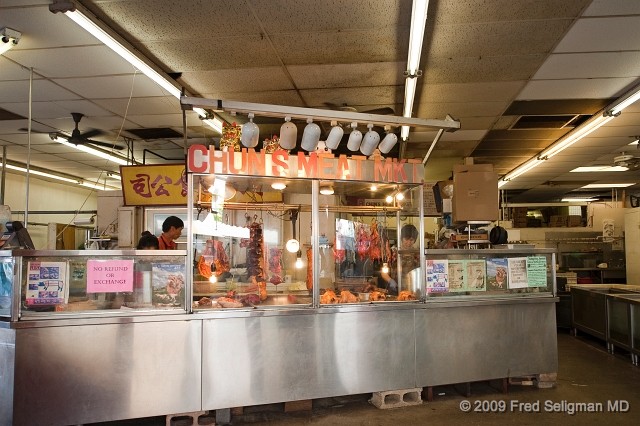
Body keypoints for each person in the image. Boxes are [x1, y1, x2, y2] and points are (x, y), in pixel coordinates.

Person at [380, 224, 419, 294]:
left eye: (411, 240)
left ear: (415, 240)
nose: (408, 243)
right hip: (395, 289)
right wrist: (390, 281)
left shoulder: (417, 254)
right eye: (406, 239)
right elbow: (383, 272)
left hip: (413, 289)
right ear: (401, 238)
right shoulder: (393, 252)